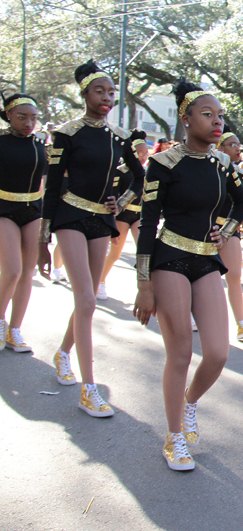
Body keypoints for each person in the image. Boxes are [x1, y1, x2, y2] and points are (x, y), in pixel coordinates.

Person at [132, 78, 243, 471]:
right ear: (186, 120)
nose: (218, 122)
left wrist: (227, 231)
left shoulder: (223, 164)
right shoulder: (163, 164)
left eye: (220, 116)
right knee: (181, 352)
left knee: (217, 353)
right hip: (169, 259)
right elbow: (148, 223)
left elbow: (242, 201)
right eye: (208, 115)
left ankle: (189, 402)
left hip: (206, 260)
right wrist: (143, 283)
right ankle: (174, 436)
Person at [37, 60, 144, 416]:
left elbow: (139, 178)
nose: (107, 97)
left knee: (87, 302)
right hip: (70, 215)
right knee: (85, 299)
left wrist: (121, 202)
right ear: (84, 94)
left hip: (101, 220)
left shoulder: (119, 137)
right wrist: (43, 239)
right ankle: (89, 389)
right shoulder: (67, 133)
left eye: (112, 92)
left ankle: (63, 352)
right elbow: (53, 186)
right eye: (100, 91)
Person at [0, 92, 46, 353]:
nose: (29, 123)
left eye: (33, 118)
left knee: (28, 272)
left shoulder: (40, 144)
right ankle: (0, 321)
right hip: (3, 209)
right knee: (12, 271)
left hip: (32, 210)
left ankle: (14, 330)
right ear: (9, 115)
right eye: (22, 117)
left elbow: (49, 181)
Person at [216, 126, 243, 340]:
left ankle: (241, 324)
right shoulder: (211, 167)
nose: (237, 148)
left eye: (238, 145)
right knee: (203, 276)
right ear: (220, 147)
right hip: (204, 228)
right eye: (232, 145)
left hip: (229, 228)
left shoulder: (241, 174)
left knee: (233, 275)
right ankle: (192, 314)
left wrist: (228, 230)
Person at [97, 131, 150, 301]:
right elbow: (113, 195)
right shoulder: (120, 171)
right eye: (140, 153)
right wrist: (111, 221)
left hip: (139, 215)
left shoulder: (148, 172)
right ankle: (100, 281)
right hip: (122, 216)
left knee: (144, 251)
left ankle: (147, 289)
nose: (143, 156)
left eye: (146, 153)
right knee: (115, 253)